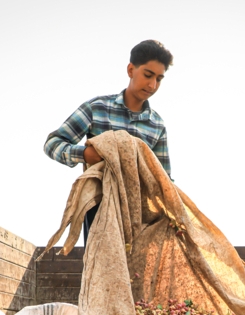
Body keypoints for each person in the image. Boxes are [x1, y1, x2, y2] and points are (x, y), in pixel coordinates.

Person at [44, 40, 174, 244]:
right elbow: (53, 144)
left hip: (141, 218)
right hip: (99, 208)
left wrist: (174, 215)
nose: (152, 85)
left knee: (139, 276)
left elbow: (164, 180)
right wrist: (85, 155)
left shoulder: (157, 124)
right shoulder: (97, 108)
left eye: (159, 79)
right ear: (131, 70)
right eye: (148, 75)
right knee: (102, 272)